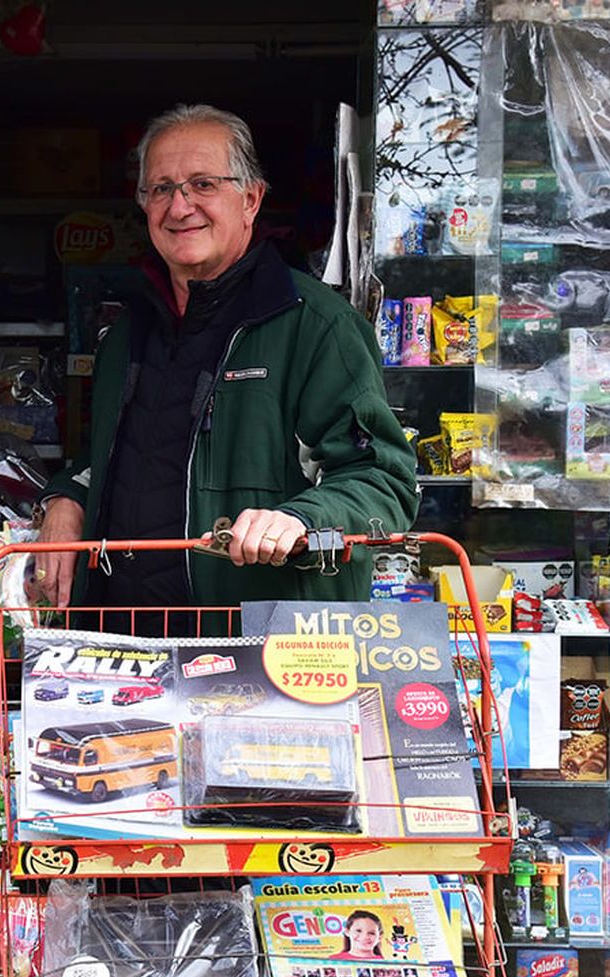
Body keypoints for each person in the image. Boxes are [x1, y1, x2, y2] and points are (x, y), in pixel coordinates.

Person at [34, 104, 419, 611]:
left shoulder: (316, 326)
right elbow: (109, 460)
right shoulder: (127, 335)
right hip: (129, 647)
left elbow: (381, 479)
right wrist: (66, 498)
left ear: (252, 200)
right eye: (161, 189)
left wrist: (302, 519)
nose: (180, 206)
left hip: (262, 655)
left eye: (203, 184)